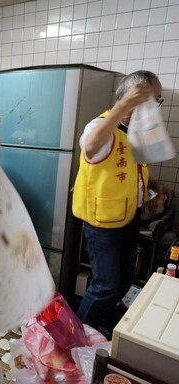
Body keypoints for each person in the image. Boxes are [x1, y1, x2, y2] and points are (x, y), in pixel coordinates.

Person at [72, 70, 164, 330]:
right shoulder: (100, 127)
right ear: (133, 99)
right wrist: (123, 105)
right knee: (106, 286)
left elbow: (137, 169)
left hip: (129, 217)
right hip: (103, 222)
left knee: (121, 282)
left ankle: (93, 327)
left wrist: (154, 187)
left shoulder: (138, 130)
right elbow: (90, 147)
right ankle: (77, 339)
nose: (156, 106)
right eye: (153, 99)